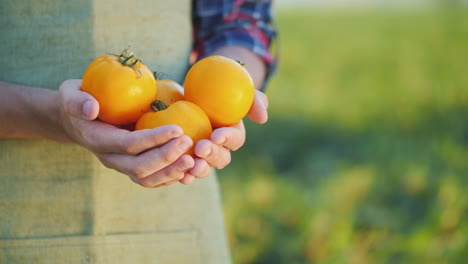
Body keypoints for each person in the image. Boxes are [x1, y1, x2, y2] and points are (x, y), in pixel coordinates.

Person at [0, 0, 276, 263]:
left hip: (180, 211)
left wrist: (229, 92)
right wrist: (50, 116)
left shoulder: (172, 107)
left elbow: (240, 22)